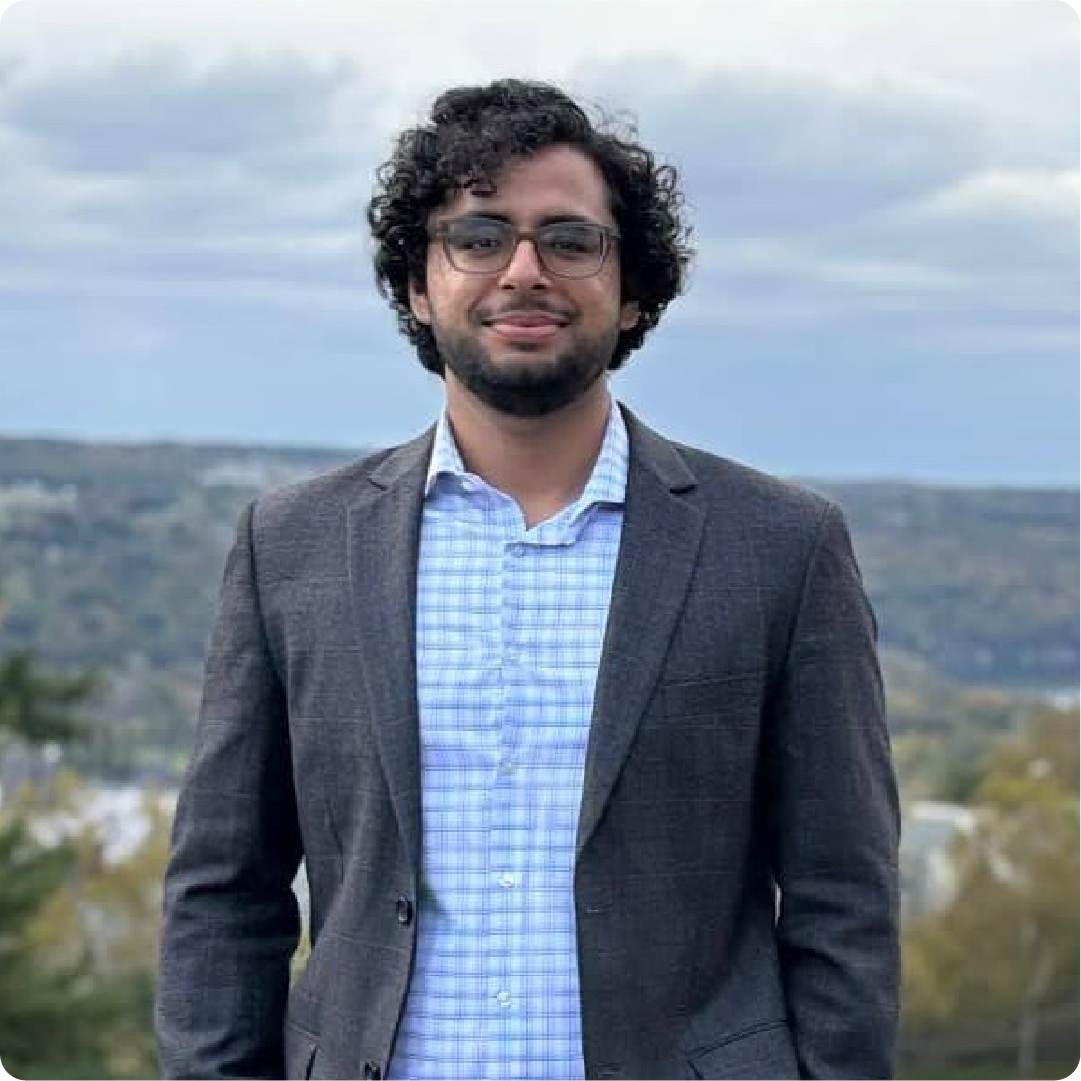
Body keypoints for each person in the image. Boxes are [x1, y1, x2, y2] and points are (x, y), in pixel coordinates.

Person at [156, 78, 900, 1081]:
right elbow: (223, 889)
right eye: (477, 235)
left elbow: (841, 899)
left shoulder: (779, 545)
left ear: (632, 287)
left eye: (570, 238)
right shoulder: (293, 544)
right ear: (418, 285)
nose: (523, 270)